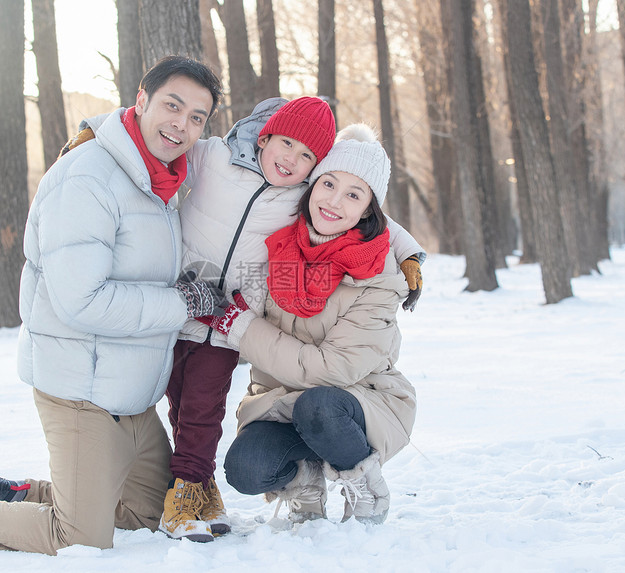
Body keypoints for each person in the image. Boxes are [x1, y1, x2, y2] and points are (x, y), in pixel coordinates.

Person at [0, 56, 226, 555]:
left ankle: (11, 492)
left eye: (197, 117)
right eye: (173, 106)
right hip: (80, 389)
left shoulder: (160, 183)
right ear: (141, 100)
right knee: (81, 536)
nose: (183, 124)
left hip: (129, 394)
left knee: (149, 515)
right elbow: (81, 301)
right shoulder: (88, 177)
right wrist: (181, 304)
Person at [61, 99, 425, 540]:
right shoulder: (234, 174)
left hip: (267, 342)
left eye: (307, 156)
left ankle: (200, 487)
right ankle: (284, 477)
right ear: (267, 137)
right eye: (287, 144)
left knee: (214, 409)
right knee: (179, 411)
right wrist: (96, 132)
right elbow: (157, 140)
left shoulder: (331, 226)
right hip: (186, 305)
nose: (292, 160)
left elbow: (368, 209)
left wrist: (407, 254)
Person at [209, 124, 418, 525]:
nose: (334, 202)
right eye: (328, 184)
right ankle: (303, 479)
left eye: (353, 195)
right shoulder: (278, 248)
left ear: (368, 210)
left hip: (358, 402)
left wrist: (240, 327)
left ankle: (365, 483)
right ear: (311, 186)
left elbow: (334, 370)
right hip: (279, 401)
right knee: (246, 469)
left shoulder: (379, 275)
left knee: (318, 406)